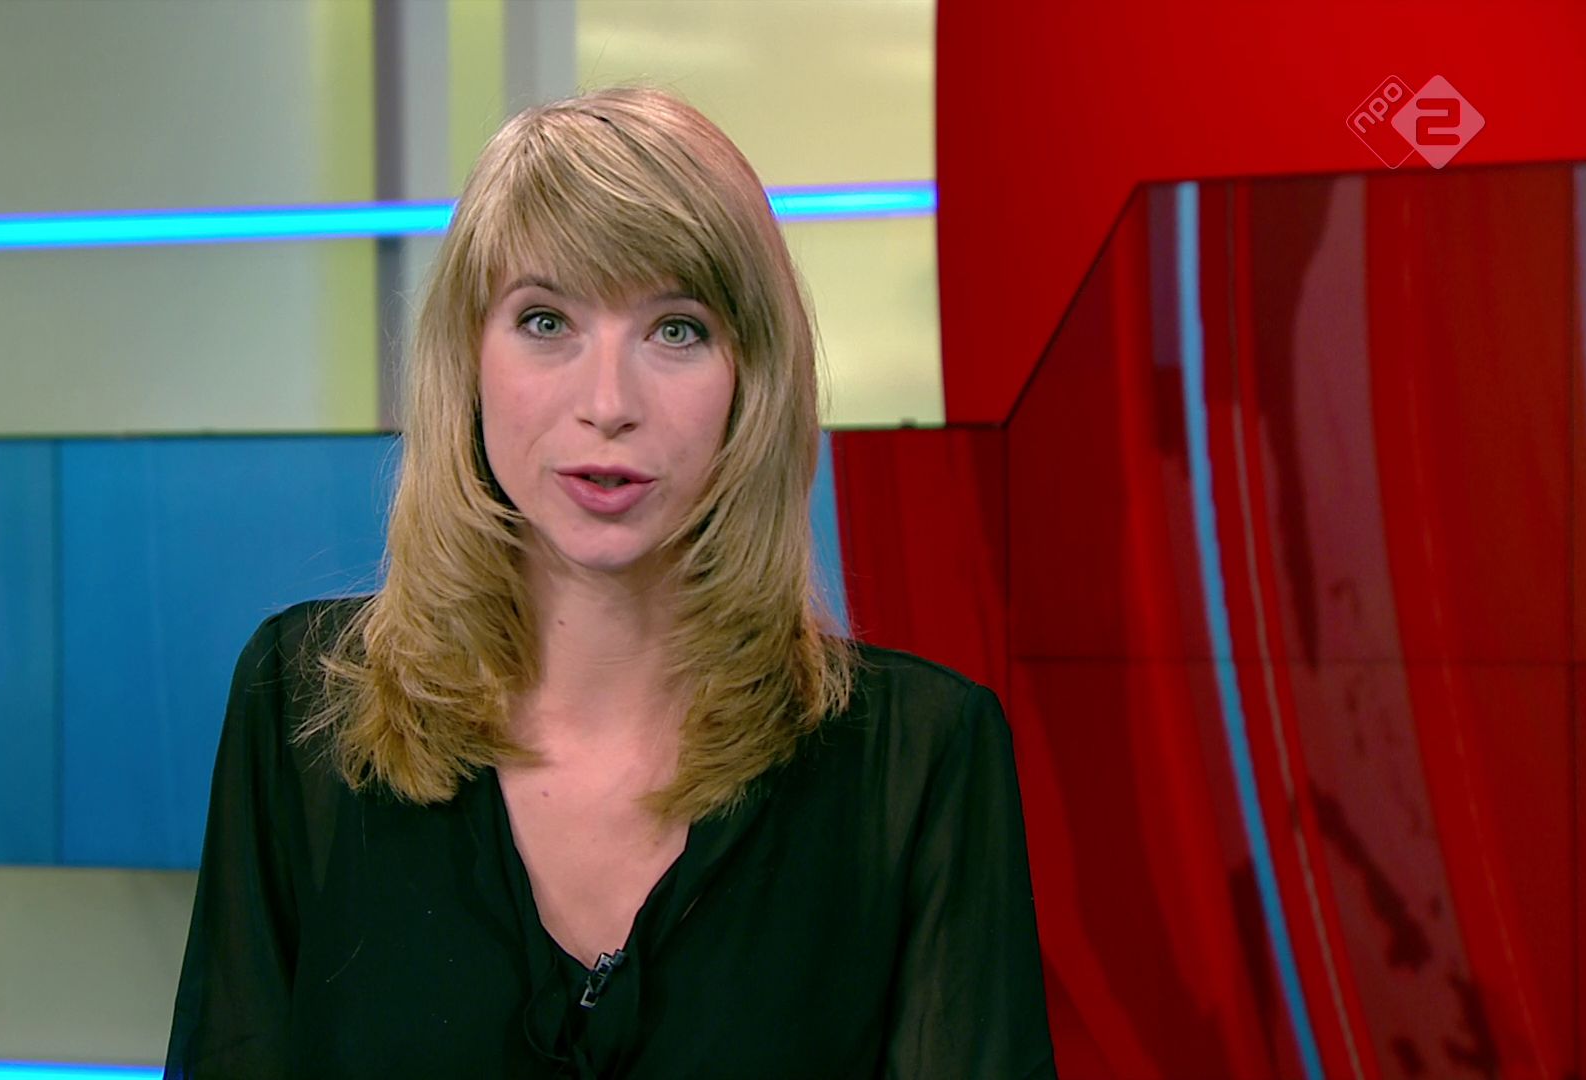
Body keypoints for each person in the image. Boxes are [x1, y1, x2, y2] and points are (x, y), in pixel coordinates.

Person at [164, 85, 1055, 1079]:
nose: (608, 403)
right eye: (546, 320)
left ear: (752, 383)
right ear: (468, 363)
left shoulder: (921, 762)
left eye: (676, 330)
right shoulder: (302, 706)